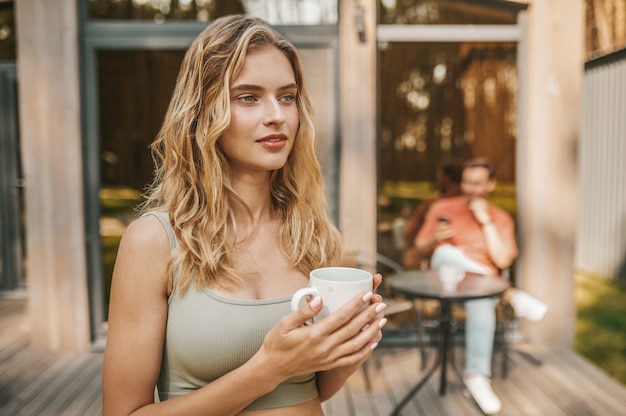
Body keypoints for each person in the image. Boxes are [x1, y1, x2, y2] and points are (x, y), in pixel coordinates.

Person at [101, 15, 387, 416]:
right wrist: (268, 369)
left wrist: (348, 349)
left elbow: (312, 389)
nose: (277, 115)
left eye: (287, 97)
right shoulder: (155, 241)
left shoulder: (315, 234)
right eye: (248, 97)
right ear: (203, 112)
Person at [414, 158, 547, 415]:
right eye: (466, 182)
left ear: (491, 185)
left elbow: (503, 260)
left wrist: (485, 221)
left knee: (483, 298)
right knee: (445, 252)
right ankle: (511, 293)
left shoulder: (500, 218)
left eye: (477, 183)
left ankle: (476, 378)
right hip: (446, 281)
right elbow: (420, 247)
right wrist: (434, 238)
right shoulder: (444, 207)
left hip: (479, 289)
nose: (469, 189)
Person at [402, 162, 463, 269]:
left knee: (410, 257)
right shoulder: (471, 205)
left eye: (438, 178)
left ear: (446, 178)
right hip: (464, 262)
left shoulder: (433, 204)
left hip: (434, 259)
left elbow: (409, 234)